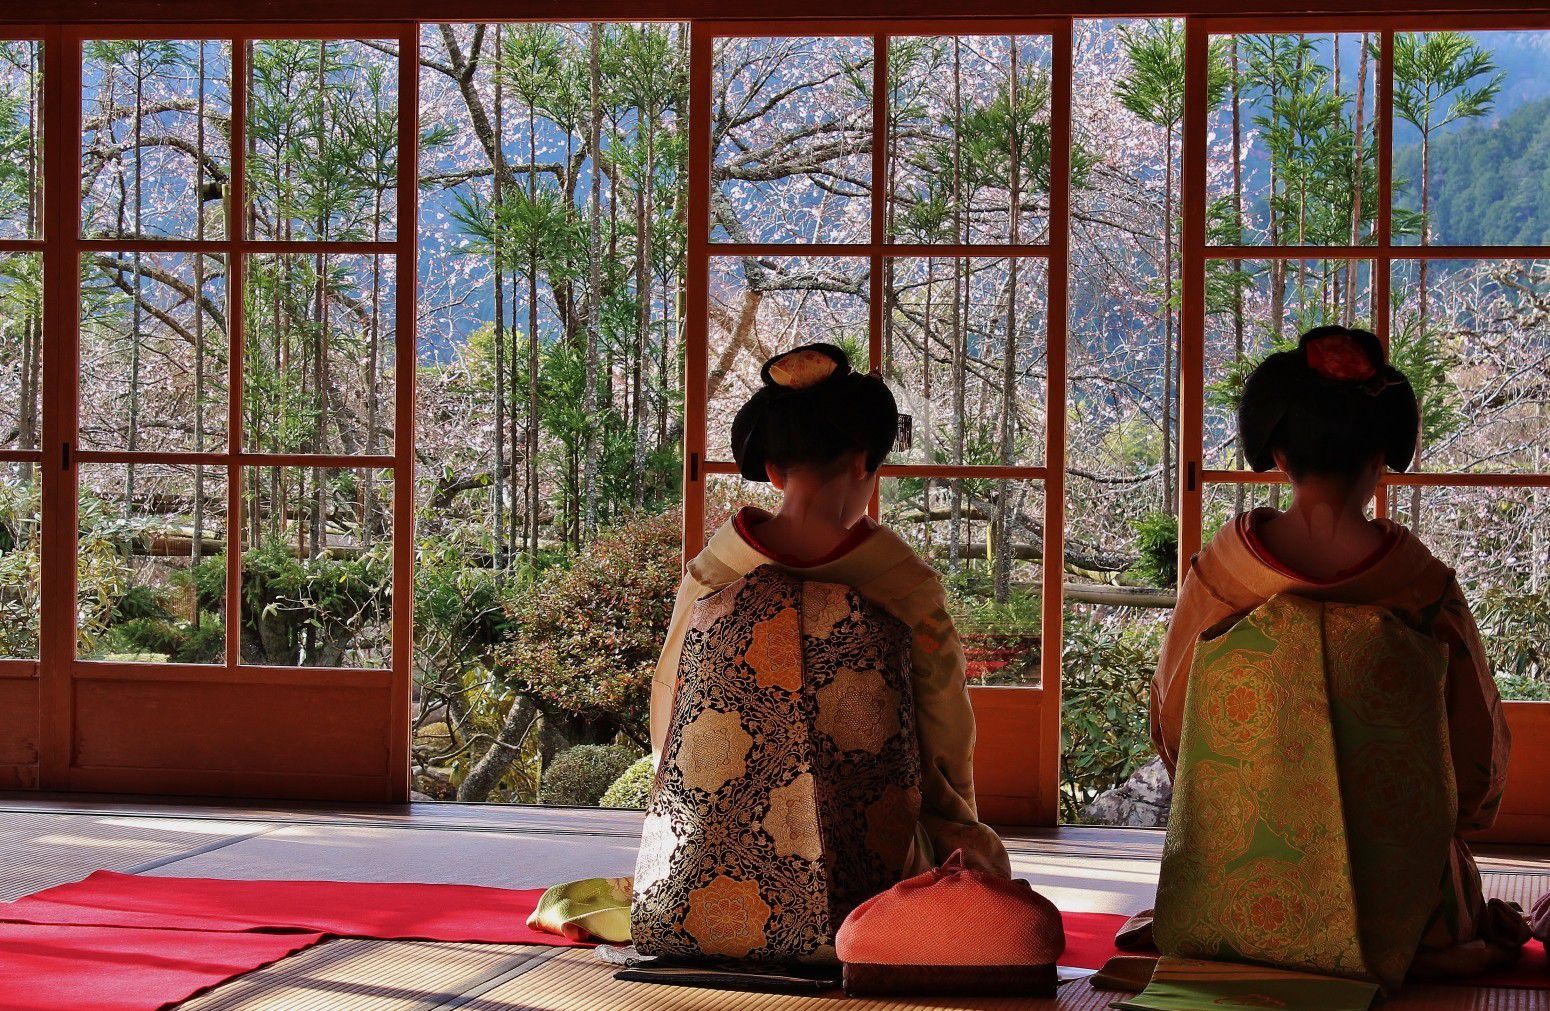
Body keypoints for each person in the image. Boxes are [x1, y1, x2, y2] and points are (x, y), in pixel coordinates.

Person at [1151, 325, 1522, 979]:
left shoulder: (1221, 577)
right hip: (1403, 908)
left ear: (1278, 453)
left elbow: (1174, 725)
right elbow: (1475, 749)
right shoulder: (1422, 588)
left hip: (1234, 890)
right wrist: (1459, 816)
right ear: (1382, 455)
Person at [650, 343, 1011, 879]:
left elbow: (670, 704)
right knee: (980, 868)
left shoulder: (711, 578)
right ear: (863, 461)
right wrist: (957, 826)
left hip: (722, 858)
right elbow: (945, 731)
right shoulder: (903, 590)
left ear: (773, 472)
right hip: (872, 867)